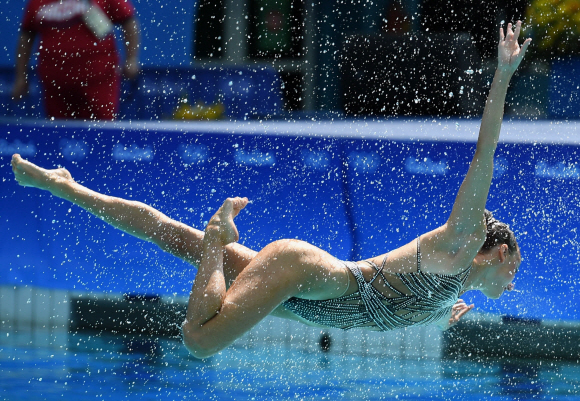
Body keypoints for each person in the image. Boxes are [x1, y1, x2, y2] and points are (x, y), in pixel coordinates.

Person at [11, 21, 529, 359]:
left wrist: (444, 312)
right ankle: (219, 235)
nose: (513, 282)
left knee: (169, 237)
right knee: (198, 341)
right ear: (499, 250)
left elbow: (421, 304)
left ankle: (68, 188)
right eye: (515, 268)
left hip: (304, 296)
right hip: (307, 274)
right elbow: (484, 154)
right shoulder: (462, 239)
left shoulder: (454, 293)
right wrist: (502, 74)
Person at [11, 0, 140, 120]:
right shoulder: (37, 2)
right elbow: (26, 36)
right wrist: (21, 76)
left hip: (99, 81)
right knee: (59, 132)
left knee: (101, 130)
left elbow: (128, 21)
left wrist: (131, 59)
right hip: (56, 85)